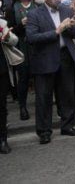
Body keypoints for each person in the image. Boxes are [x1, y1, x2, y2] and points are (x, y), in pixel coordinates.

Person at [26, 0, 75, 144]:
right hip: (45, 59)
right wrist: (57, 31)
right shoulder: (34, 14)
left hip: (65, 57)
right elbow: (31, 38)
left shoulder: (66, 10)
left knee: (67, 94)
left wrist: (72, 26)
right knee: (44, 97)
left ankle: (67, 126)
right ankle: (44, 131)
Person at [7, 0, 35, 120]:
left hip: (36, 46)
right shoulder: (12, 9)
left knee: (39, 77)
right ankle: (22, 107)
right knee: (23, 78)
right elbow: (9, 30)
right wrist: (21, 25)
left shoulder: (37, 6)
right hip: (21, 46)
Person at [0, 19, 19, 153]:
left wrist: (6, 38)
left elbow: (14, 41)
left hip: (1, 70)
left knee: (1, 106)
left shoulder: (1, 23)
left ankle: (3, 139)